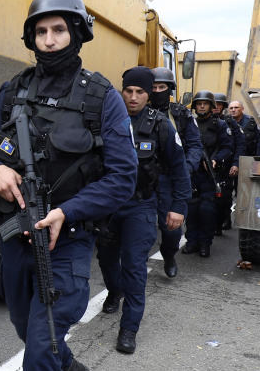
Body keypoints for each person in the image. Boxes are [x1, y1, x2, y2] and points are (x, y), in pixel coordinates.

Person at [0, 0, 137, 371]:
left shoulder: (101, 97)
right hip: (15, 238)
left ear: (77, 32)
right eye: (41, 31)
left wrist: (69, 210)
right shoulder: (12, 90)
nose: (49, 39)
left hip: (65, 241)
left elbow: (122, 178)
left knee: (41, 343)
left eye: (58, 29)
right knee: (30, 333)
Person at [96, 67, 190, 354]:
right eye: (128, 91)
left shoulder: (161, 125)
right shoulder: (104, 120)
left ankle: (129, 328)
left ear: (149, 95)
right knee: (107, 259)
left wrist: (178, 206)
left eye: (140, 92)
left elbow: (179, 168)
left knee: (134, 266)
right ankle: (114, 291)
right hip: (107, 206)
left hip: (142, 205)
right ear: (121, 91)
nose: (133, 97)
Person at [150, 68, 203, 277]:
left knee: (171, 231)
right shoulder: (137, 112)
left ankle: (169, 255)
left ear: (169, 89)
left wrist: (186, 168)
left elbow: (195, 145)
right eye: (153, 87)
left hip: (171, 179)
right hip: (143, 179)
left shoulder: (181, 114)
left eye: (161, 87)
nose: (157, 91)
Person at [183, 92, 233, 257]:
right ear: (195, 106)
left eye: (205, 103)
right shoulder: (190, 123)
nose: (202, 106)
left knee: (207, 210)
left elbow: (227, 147)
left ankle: (205, 244)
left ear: (211, 106)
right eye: (199, 104)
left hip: (210, 175)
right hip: (192, 173)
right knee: (191, 210)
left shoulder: (219, 125)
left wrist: (215, 160)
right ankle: (192, 242)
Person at [211, 93, 243, 235]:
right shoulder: (205, 121)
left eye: (219, 104)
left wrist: (236, 164)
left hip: (226, 166)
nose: (216, 107)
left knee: (224, 197)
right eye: (214, 104)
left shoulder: (231, 123)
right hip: (209, 166)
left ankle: (222, 221)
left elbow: (240, 146)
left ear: (223, 106)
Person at [226, 100, 256, 229]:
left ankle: (243, 220)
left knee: (243, 193)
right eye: (231, 108)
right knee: (226, 193)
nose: (233, 110)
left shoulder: (250, 123)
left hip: (246, 163)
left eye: (236, 107)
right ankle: (225, 219)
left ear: (242, 109)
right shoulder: (225, 123)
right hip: (228, 162)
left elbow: (257, 143)